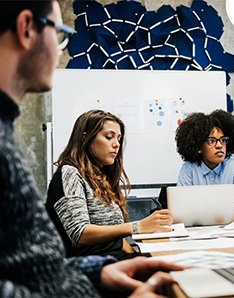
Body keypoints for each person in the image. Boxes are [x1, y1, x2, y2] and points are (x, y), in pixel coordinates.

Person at [0, 1, 181, 297]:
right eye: (59, 33)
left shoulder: (5, 131)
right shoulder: (68, 173)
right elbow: (77, 238)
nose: (60, 50)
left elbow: (33, 266)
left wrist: (97, 272)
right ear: (26, 29)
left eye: (119, 138)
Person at [46, 110, 173, 259]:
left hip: (111, 259)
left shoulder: (101, 178)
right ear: (85, 138)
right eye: (109, 137)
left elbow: (114, 237)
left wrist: (132, 249)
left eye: (118, 139)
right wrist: (137, 227)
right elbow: (80, 234)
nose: (116, 144)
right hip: (90, 267)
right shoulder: (70, 174)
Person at [175, 109, 234, 220]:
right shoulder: (188, 169)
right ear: (199, 146)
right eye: (211, 141)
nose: (219, 145)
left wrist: (202, 217)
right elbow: (182, 212)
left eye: (223, 140)